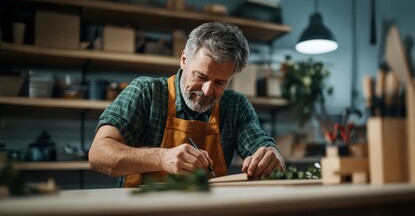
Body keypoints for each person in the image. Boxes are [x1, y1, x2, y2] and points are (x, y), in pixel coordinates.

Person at [89, 21, 285, 187]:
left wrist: (271, 156)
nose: (208, 91)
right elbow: (99, 155)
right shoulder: (145, 92)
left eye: (220, 82)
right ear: (184, 59)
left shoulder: (235, 106)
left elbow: (262, 146)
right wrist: (162, 158)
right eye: (201, 76)